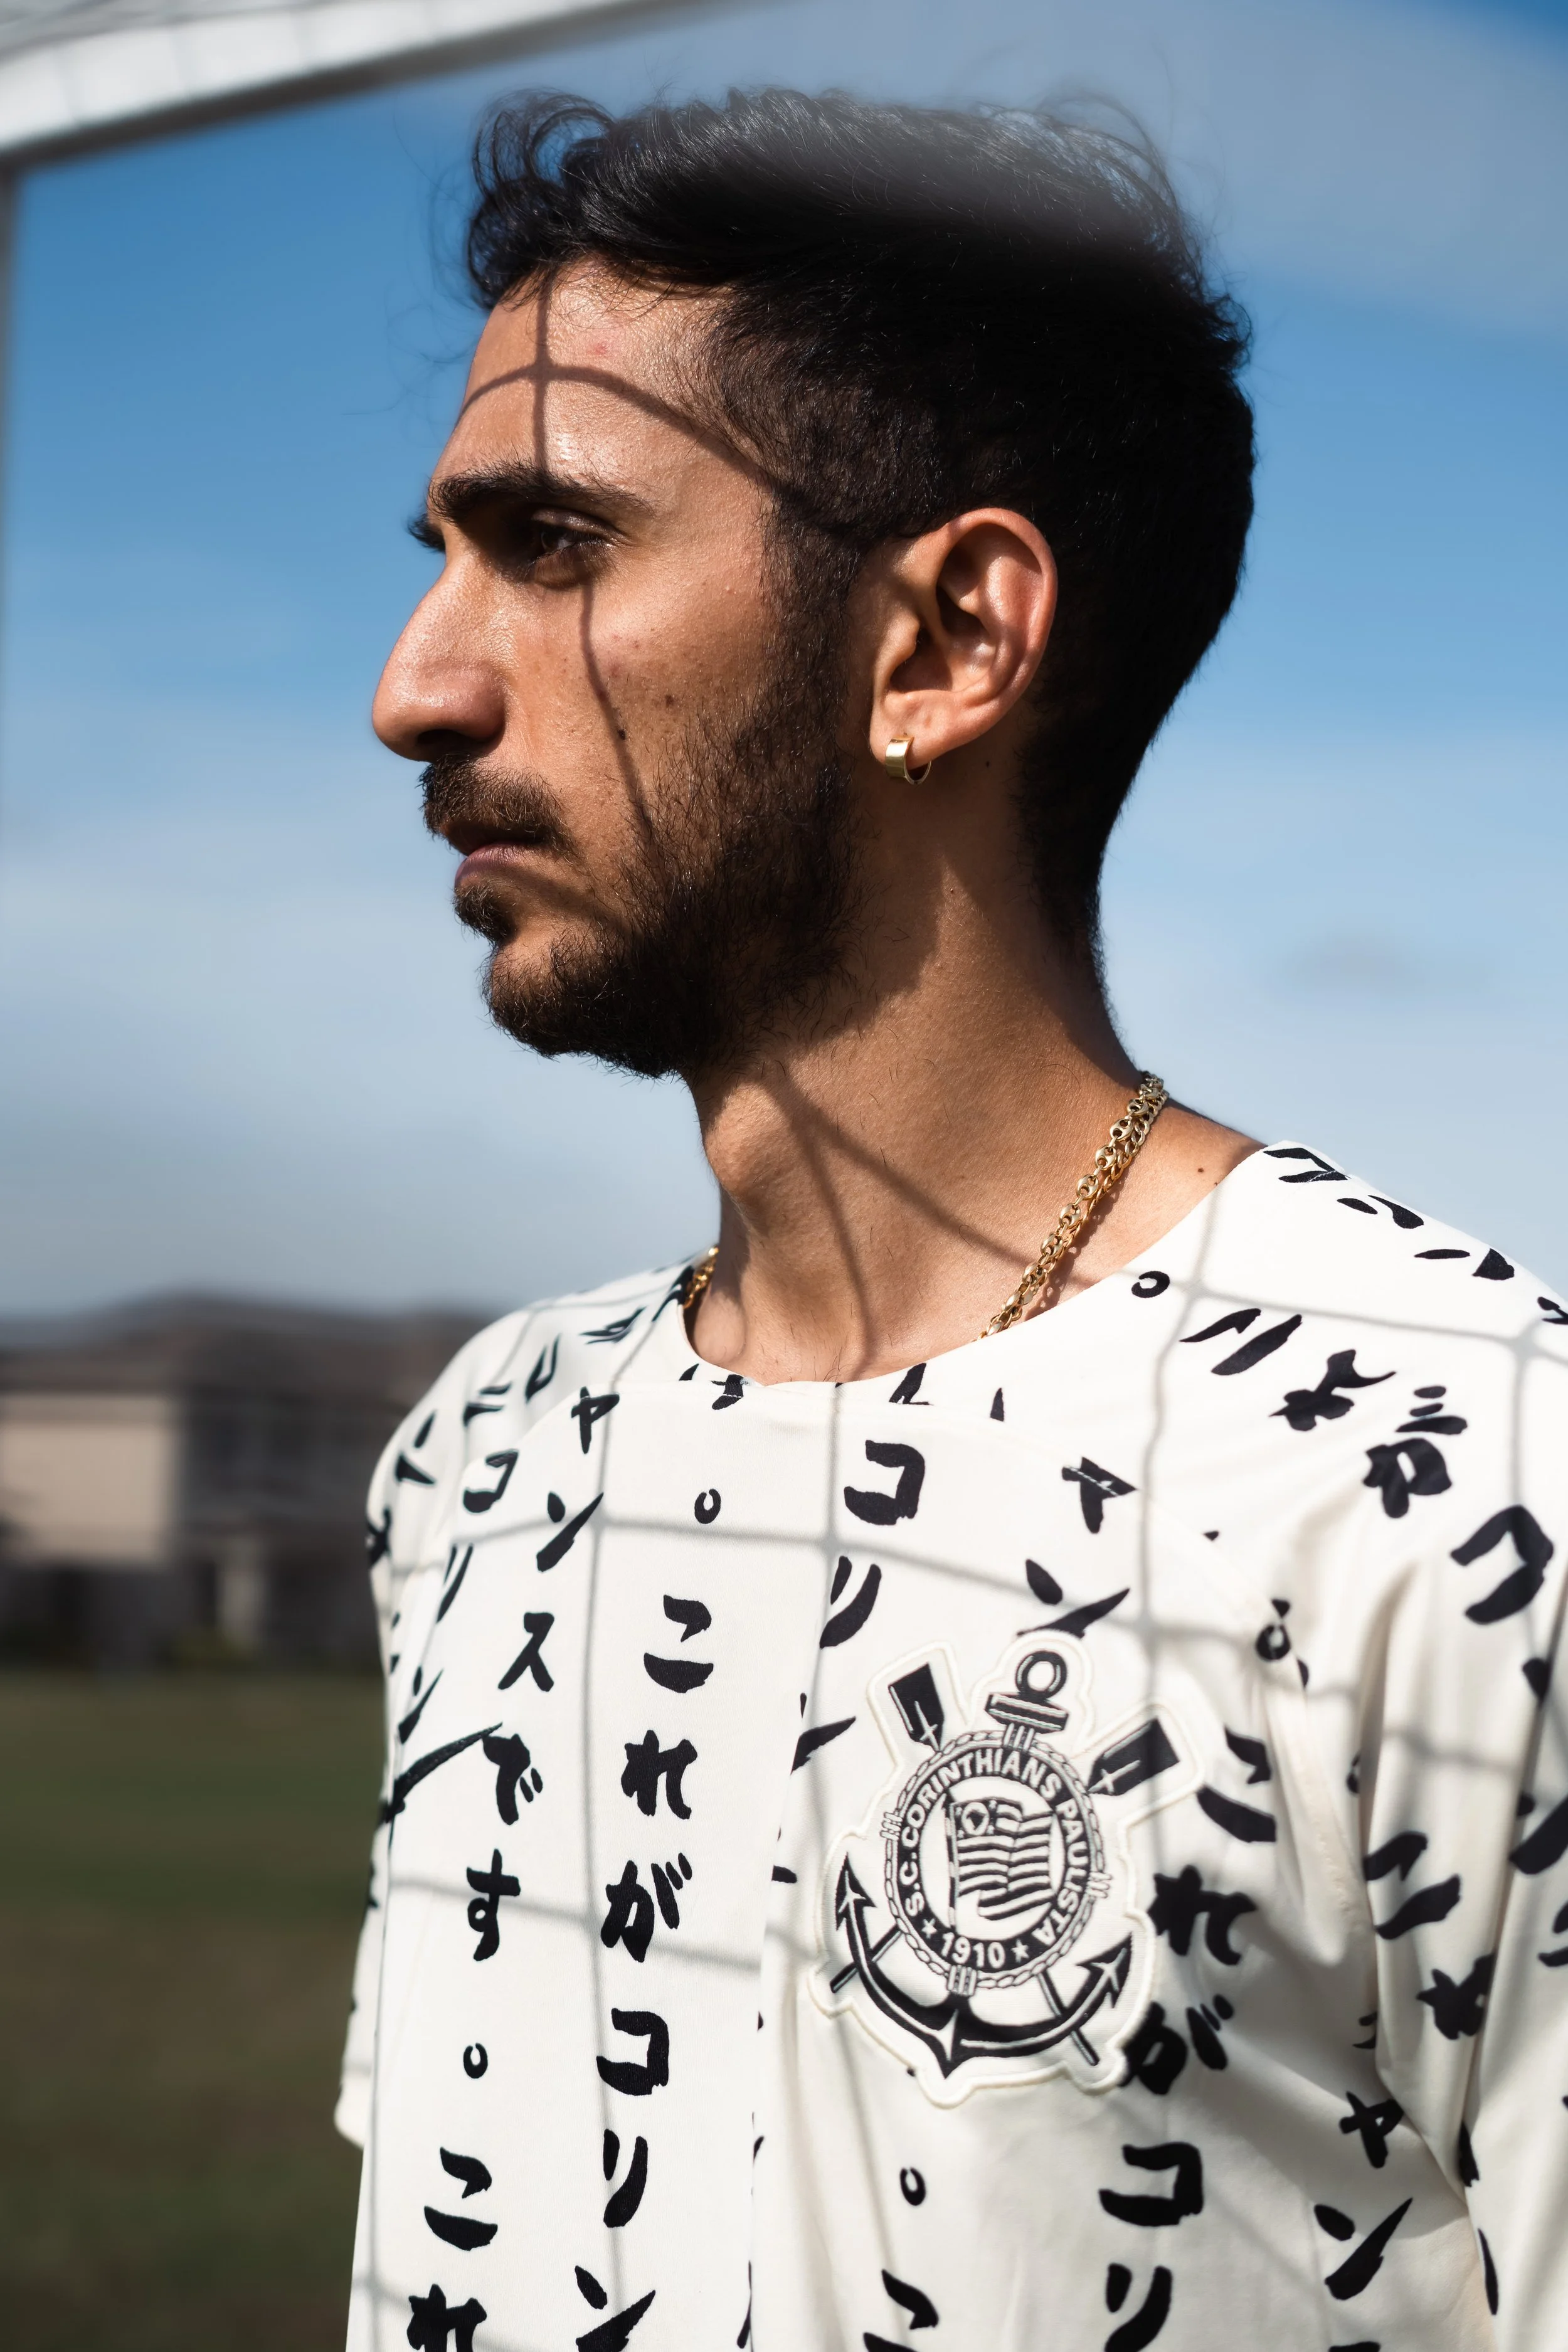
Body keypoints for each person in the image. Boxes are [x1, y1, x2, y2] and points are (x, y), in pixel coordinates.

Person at [337, 90, 1568, 2352]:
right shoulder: (483, 1458)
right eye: (438, 551)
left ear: (945, 641)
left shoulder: (1457, 1470)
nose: (416, 682)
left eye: (553, 543)